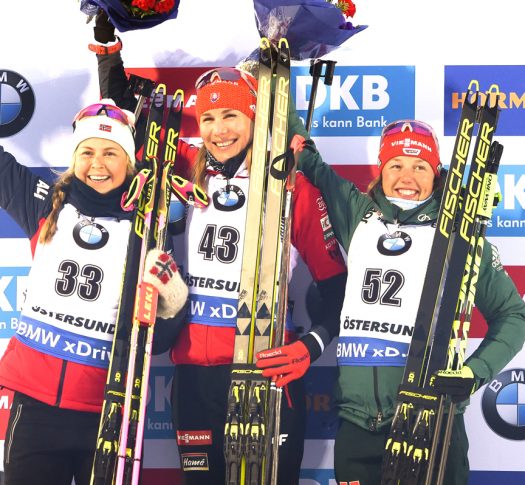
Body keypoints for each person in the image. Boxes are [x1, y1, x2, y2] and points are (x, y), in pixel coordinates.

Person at [89, 11, 348, 485]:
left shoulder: (290, 185)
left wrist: (310, 347)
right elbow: (126, 113)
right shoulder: (187, 166)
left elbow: (339, 287)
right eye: (208, 118)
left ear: (253, 117)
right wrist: (108, 47)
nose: (218, 130)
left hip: (265, 370)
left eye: (231, 115)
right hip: (193, 382)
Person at [256, 118, 525, 485]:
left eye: (420, 167)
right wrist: (271, 76)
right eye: (396, 165)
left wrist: (474, 373)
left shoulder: (460, 239)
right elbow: (307, 154)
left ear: (437, 173)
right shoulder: (358, 213)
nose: (407, 177)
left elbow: (514, 314)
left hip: (429, 425)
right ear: (381, 170)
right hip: (357, 425)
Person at [0, 101, 188, 485]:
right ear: (74, 157)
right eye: (86, 151)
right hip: (36, 406)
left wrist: (171, 306)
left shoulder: (147, 229)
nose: (97, 164)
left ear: (129, 161)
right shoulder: (47, 203)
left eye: (110, 152)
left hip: (107, 408)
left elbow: (160, 340)